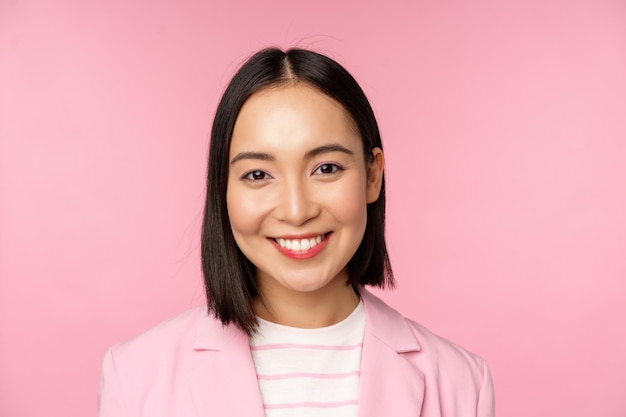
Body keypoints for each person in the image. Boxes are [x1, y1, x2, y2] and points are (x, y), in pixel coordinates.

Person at [98, 47, 495, 417]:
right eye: (258, 174)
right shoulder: (134, 376)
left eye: (326, 168)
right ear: (222, 187)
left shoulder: (463, 383)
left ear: (372, 175)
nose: (296, 210)